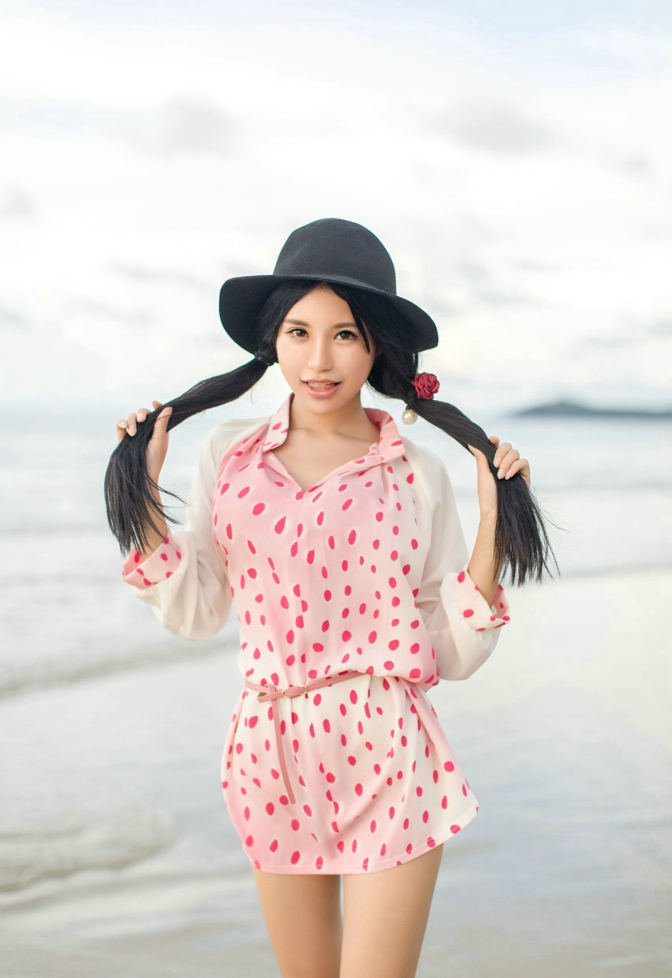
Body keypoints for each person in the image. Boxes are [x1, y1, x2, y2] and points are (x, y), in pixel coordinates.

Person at [105, 218, 556, 978]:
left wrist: (493, 523)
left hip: (388, 750)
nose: (319, 360)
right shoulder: (228, 454)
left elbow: (448, 651)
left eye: (344, 335)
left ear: (375, 345)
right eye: (299, 333)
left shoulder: (416, 472)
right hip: (270, 752)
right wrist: (143, 488)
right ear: (272, 342)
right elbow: (197, 610)